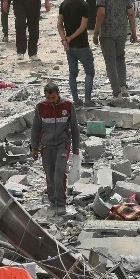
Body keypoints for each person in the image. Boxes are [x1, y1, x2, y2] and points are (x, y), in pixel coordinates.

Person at [30, 83, 79, 214]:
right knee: (49, 174)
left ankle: (61, 202)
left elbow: (74, 128)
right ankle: (52, 200)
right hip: (46, 146)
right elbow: (35, 129)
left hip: (63, 144)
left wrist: (76, 147)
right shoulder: (41, 107)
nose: (51, 101)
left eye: (53, 97)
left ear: (58, 94)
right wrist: (34, 147)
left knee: (59, 172)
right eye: (48, 98)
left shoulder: (68, 105)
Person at [92, 0, 137, 98]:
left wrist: (96, 32)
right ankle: (123, 87)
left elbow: (101, 13)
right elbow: (130, 13)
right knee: (120, 58)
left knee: (110, 61)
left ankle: (116, 91)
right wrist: (133, 32)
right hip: (122, 31)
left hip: (107, 32)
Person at [58, 0, 95, 106]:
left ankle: (76, 99)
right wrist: (70, 38)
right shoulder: (84, 5)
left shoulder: (63, 4)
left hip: (70, 46)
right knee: (89, 72)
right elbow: (83, 27)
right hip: (82, 44)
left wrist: (65, 39)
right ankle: (88, 100)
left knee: (72, 73)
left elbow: (59, 25)